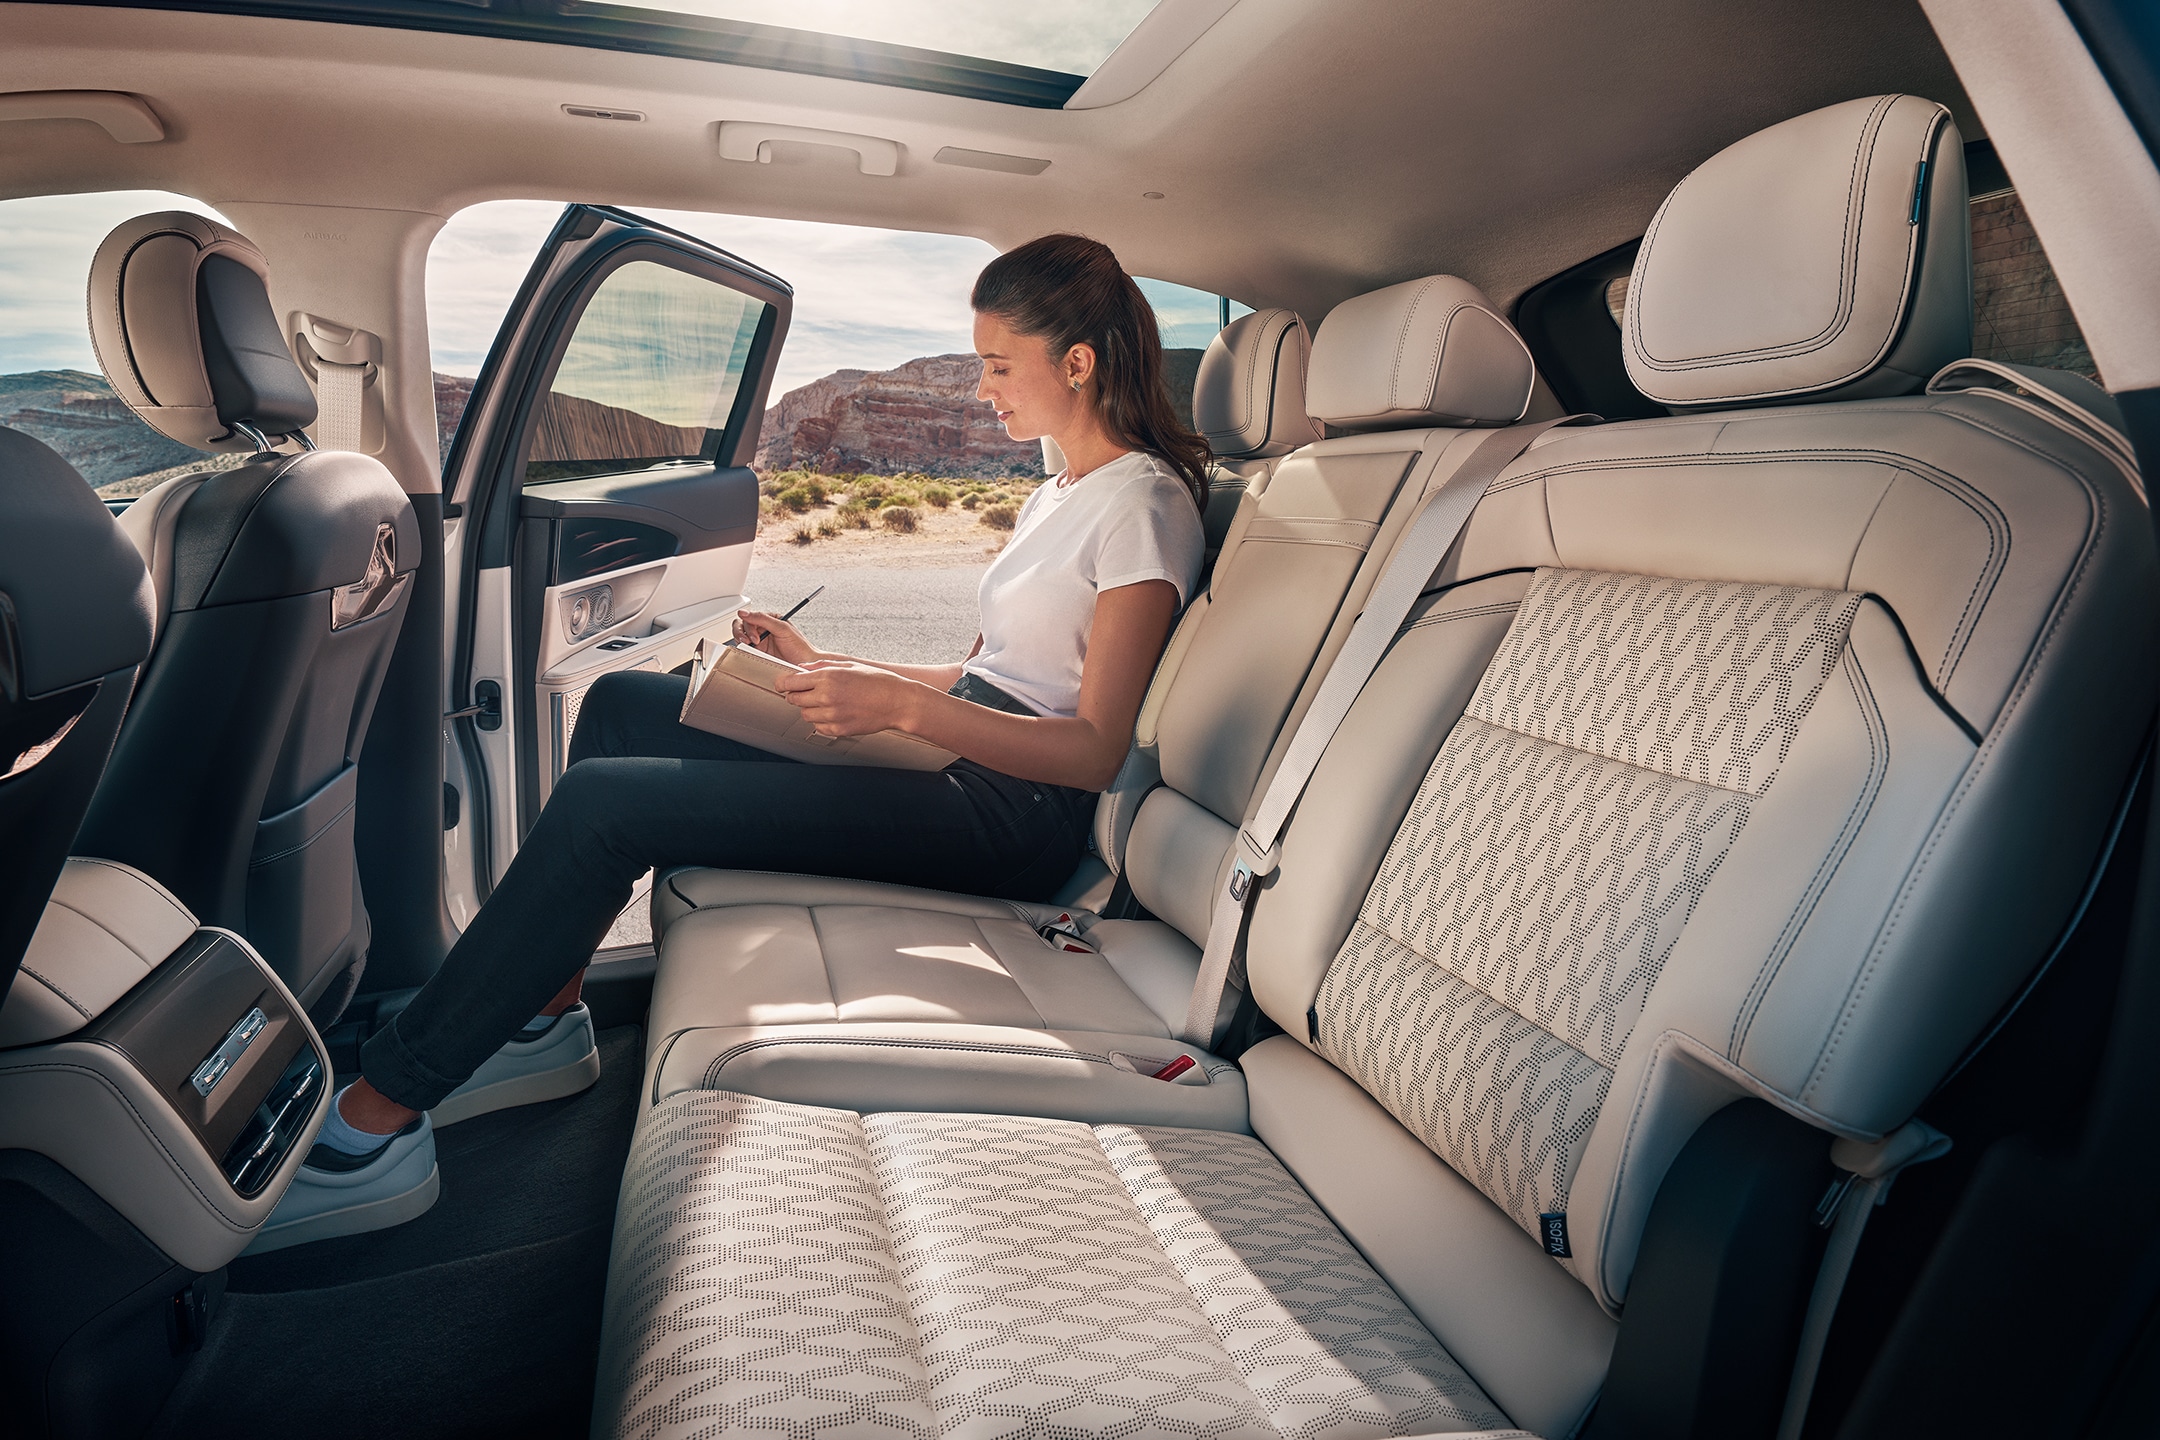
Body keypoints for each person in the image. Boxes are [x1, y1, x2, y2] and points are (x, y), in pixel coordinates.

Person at [261, 233, 1210, 1237]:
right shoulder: (1058, 494)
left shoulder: (1143, 506)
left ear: (1078, 362)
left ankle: (380, 1114)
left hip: (1013, 814)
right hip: (960, 754)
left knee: (604, 809)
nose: (982, 390)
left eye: (998, 365)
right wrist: (822, 663)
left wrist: (901, 711)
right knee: (622, 707)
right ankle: (545, 1006)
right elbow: (989, 676)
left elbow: (1092, 747)